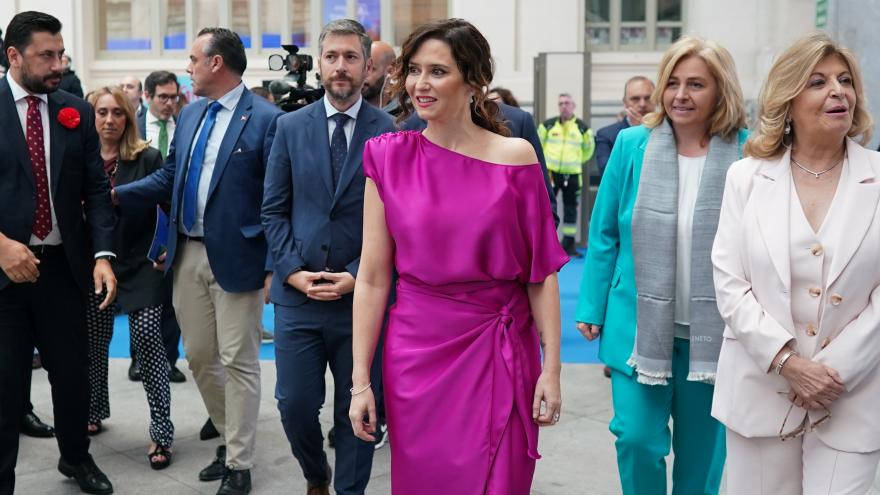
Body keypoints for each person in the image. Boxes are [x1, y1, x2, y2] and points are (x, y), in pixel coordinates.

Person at [348, 18, 567, 494]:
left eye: (438, 72)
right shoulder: (386, 158)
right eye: (414, 70)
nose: (420, 85)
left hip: (501, 349)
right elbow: (371, 278)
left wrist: (551, 369)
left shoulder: (516, 157)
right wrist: (360, 382)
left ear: (473, 81)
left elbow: (540, 274)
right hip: (416, 356)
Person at [576, 36, 748, 495]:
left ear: (721, 91)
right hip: (640, 330)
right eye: (672, 82)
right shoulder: (633, 145)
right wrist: (592, 305)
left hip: (715, 337)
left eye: (696, 84)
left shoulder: (749, 153)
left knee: (703, 454)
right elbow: (604, 230)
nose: (680, 95)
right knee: (635, 439)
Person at [113, 27, 282, 495]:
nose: (187, 67)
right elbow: (169, 177)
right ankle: (231, 440)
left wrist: (272, 264)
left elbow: (276, 199)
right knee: (202, 358)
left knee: (239, 360)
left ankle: (240, 462)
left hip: (240, 258)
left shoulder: (267, 119)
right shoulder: (189, 116)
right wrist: (115, 196)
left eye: (192, 59)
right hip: (185, 251)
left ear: (216, 63)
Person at [713, 32, 880, 494]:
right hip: (760, 389)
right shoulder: (745, 178)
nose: (838, 91)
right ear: (788, 99)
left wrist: (832, 373)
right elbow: (729, 283)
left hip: (855, 395)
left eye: (845, 80)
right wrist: (787, 361)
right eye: (818, 81)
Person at [262, 19, 394, 495]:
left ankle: (350, 490)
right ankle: (316, 474)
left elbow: (399, 220)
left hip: (363, 298)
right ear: (319, 65)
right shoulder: (289, 127)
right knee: (294, 405)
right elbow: (273, 210)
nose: (341, 67)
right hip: (299, 299)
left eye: (351, 58)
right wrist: (293, 273)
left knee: (359, 408)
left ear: (367, 67)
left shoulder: (391, 133)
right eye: (332, 57)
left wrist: (359, 276)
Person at [0, 11, 117, 495]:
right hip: (4, 276)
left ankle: (75, 459)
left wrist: (103, 254)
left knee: (73, 377)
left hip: (64, 272)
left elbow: (95, 189)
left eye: (60, 53)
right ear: (13, 56)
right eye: (46, 55)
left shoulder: (74, 110)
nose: (57, 63)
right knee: (6, 390)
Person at [83, 86, 176, 468]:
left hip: (141, 263)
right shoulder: (79, 160)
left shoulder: (147, 157)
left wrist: (168, 247)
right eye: (102, 112)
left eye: (117, 113)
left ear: (129, 117)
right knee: (94, 340)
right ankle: (94, 408)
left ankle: (161, 432)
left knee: (149, 337)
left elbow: (168, 204)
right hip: (93, 264)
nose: (109, 120)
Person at [129, 70, 187, 385]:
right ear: (148, 96)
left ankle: (169, 358)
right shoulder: (133, 130)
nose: (168, 103)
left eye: (173, 97)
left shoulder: (186, 128)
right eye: (162, 97)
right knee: (143, 289)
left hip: (175, 219)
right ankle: (139, 359)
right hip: (141, 219)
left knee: (171, 292)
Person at [538, 93, 595, 257]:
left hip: (572, 175)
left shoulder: (583, 129)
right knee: (547, 208)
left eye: (567, 103)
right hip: (551, 174)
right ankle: (546, 244)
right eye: (561, 103)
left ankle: (568, 245)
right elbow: (537, 146)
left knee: (571, 210)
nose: (564, 106)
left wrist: (575, 162)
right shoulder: (547, 126)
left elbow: (588, 151)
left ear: (573, 106)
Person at [594, 76, 654, 174]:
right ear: (625, 102)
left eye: (648, 98)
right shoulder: (607, 135)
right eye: (635, 99)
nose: (642, 104)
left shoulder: (669, 131)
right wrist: (639, 132)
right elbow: (608, 173)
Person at [361, 40, 395, 109]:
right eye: (360, 68)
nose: (362, 75)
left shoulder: (406, 113)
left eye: (370, 68)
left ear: (390, 71)